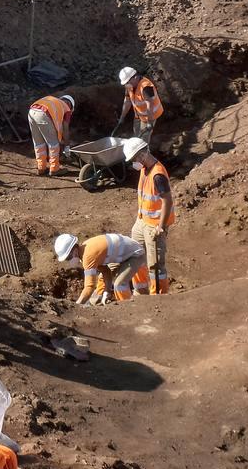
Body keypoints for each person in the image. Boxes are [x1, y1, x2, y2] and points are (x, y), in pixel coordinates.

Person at [123, 137, 174, 295]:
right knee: (134, 254)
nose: (133, 163)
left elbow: (167, 201)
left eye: (134, 159)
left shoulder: (158, 174)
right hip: (141, 221)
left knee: (155, 265)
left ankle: (158, 296)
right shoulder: (145, 169)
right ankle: (140, 289)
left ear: (142, 155)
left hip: (154, 226)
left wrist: (161, 227)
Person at [54, 232, 152, 305]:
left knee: (119, 284)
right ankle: (97, 303)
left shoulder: (88, 256)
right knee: (102, 279)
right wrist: (107, 291)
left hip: (135, 255)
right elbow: (106, 271)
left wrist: (76, 306)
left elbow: (89, 287)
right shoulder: (84, 250)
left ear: (74, 251)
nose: (68, 261)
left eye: (68, 258)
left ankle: (128, 308)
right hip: (121, 256)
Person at [27, 94, 74, 177]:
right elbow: (65, 129)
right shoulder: (66, 108)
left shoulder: (54, 102)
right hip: (44, 113)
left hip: (32, 111)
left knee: (38, 142)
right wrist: (67, 147)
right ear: (70, 105)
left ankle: (41, 167)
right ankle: (55, 169)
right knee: (53, 144)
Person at [116, 66, 163, 146]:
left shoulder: (145, 87)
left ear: (135, 77)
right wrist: (122, 117)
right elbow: (127, 102)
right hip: (139, 115)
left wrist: (149, 122)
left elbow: (150, 106)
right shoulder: (129, 86)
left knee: (143, 141)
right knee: (136, 136)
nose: (126, 85)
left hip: (150, 115)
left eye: (127, 82)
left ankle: (144, 154)